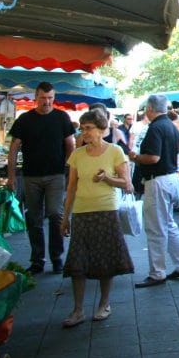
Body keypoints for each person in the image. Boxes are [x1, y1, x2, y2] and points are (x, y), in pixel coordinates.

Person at [59, 109, 134, 327]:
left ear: (102, 129)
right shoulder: (77, 155)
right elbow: (71, 187)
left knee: (105, 259)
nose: (85, 133)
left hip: (105, 210)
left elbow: (127, 184)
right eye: (82, 129)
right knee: (77, 260)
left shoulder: (115, 152)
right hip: (81, 212)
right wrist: (65, 218)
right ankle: (78, 309)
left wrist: (107, 178)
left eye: (89, 128)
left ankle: (104, 304)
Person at [8, 81, 76, 275]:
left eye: (50, 98)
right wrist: (12, 176)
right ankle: (38, 259)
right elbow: (14, 147)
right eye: (43, 98)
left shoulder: (62, 117)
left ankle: (57, 257)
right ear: (35, 98)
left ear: (54, 98)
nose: (47, 102)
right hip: (31, 176)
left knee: (55, 214)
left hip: (55, 175)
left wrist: (69, 169)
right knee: (33, 218)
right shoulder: (25, 119)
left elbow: (70, 145)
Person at [128, 94, 179, 287]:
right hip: (172, 178)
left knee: (156, 229)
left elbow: (153, 158)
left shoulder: (155, 127)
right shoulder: (171, 127)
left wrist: (135, 157)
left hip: (158, 181)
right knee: (169, 224)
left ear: (149, 109)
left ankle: (157, 273)